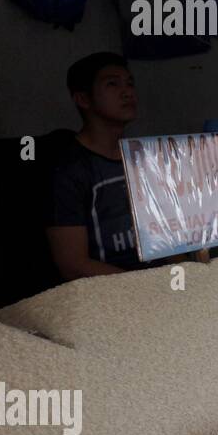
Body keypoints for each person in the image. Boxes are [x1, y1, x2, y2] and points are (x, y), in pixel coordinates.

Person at [45, 51, 146, 279]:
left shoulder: (143, 158)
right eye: (112, 84)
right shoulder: (68, 170)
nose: (127, 92)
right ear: (83, 99)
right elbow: (72, 264)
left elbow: (170, 234)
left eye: (130, 84)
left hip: (156, 284)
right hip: (106, 293)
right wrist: (143, 287)